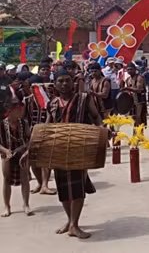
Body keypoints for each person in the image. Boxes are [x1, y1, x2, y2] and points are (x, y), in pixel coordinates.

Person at [46, 70, 102, 239]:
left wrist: (102, 132)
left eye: (67, 80)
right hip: (59, 149)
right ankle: (70, 221)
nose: (64, 84)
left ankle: (74, 224)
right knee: (62, 187)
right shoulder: (52, 103)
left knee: (77, 186)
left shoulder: (84, 99)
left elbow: (96, 116)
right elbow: (48, 125)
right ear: (55, 84)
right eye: (60, 81)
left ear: (73, 82)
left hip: (79, 148)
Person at [1, 96, 33, 217]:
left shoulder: (23, 123)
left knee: (24, 178)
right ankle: (6, 206)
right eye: (18, 109)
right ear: (10, 110)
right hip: (6, 154)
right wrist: (5, 150)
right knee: (6, 179)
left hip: (22, 153)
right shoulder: (2, 124)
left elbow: (29, 139)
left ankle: (26, 204)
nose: (21, 112)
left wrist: (27, 151)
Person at [24, 74, 55, 195]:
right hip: (31, 133)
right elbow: (25, 117)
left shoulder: (49, 100)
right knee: (33, 161)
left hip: (46, 132)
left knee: (45, 160)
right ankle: (39, 182)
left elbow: (50, 115)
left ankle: (45, 185)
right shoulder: (27, 101)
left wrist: (44, 129)